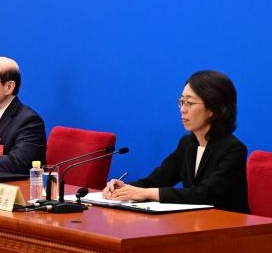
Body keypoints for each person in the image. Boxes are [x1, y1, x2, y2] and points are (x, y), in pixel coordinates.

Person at [102, 69, 249, 213]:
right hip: (195, 224)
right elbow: (155, 181)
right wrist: (124, 188)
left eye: (190, 103)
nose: (183, 109)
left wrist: (146, 193)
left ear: (214, 110)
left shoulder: (233, 150)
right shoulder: (187, 144)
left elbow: (204, 194)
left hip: (227, 229)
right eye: (181, 102)